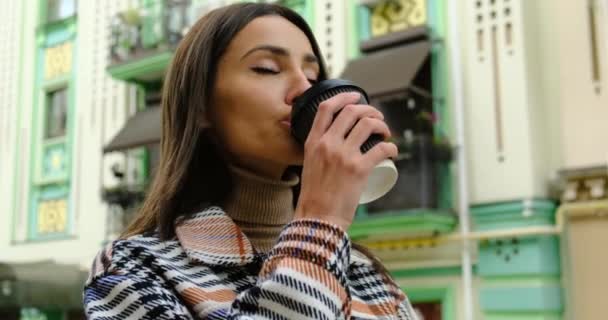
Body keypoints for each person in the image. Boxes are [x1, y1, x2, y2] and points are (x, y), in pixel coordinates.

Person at [84, 2, 417, 319]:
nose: (303, 88)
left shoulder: (365, 276)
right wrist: (321, 222)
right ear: (201, 105)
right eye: (267, 68)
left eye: (314, 77)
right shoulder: (135, 267)